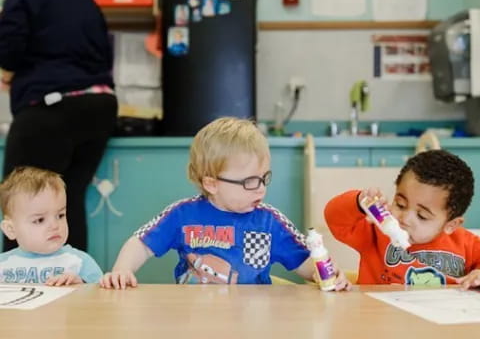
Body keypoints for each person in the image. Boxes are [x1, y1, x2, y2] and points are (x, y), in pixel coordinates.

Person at [100, 117, 351, 289]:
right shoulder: (182, 215)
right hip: (194, 322)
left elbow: (307, 264)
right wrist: (122, 270)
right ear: (211, 183)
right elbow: (141, 244)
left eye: (264, 178)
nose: (261, 188)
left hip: (253, 323)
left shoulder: (269, 221)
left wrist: (326, 274)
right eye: (250, 181)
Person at [0, 0, 118, 252]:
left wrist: (6, 72)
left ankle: (20, 288)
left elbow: (10, 43)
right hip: (100, 105)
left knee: (22, 201)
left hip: (51, 106)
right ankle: (72, 285)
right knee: (65, 202)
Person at [324, 149, 480, 289]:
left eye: (422, 216)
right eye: (400, 204)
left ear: (451, 224)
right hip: (377, 318)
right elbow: (334, 218)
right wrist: (359, 202)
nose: (405, 219)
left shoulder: (466, 244)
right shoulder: (377, 232)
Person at [0, 166, 103, 285]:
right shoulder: (3, 265)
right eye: (39, 220)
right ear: (11, 230)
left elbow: (103, 297)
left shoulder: (80, 262)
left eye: (60, 215)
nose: (55, 226)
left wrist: (81, 285)